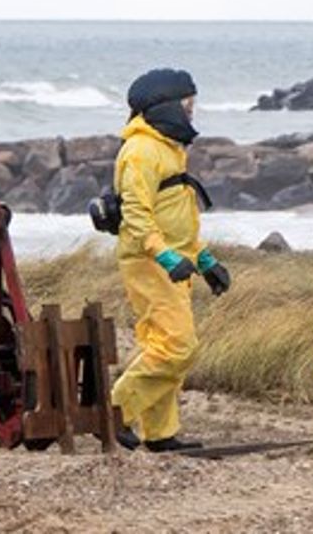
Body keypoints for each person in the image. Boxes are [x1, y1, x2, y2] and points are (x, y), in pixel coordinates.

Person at [107, 67, 230, 452]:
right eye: (187, 104)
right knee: (178, 347)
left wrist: (206, 261)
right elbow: (138, 216)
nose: (192, 111)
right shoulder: (141, 151)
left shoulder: (169, 147)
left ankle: (160, 433)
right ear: (166, 106)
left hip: (175, 261)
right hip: (150, 263)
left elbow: (177, 217)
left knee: (162, 344)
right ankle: (115, 412)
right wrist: (165, 257)